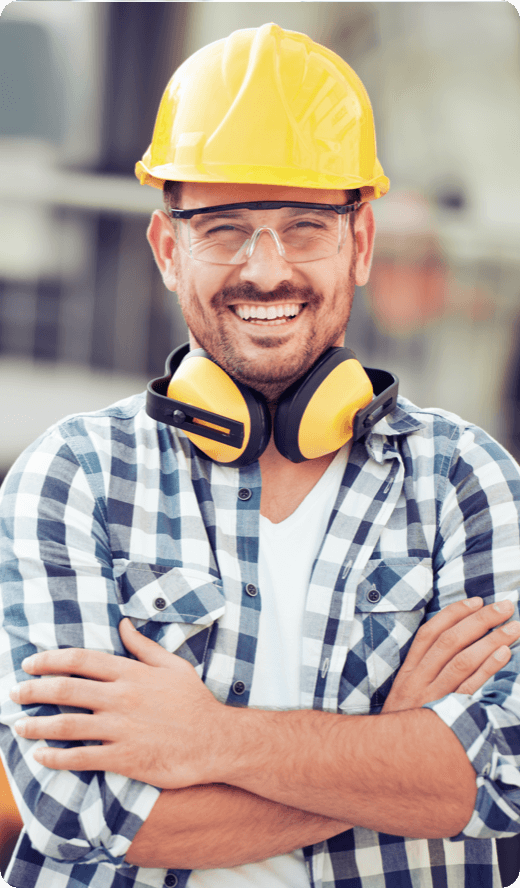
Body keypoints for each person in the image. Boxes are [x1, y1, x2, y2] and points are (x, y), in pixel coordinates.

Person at [1, 21, 520, 888]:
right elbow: (75, 811)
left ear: (360, 244)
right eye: (226, 226)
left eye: (305, 226)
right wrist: (394, 742)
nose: (266, 269)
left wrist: (210, 739)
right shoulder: (72, 480)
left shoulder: (469, 484)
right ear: (171, 250)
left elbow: (500, 777)